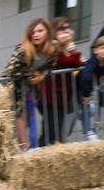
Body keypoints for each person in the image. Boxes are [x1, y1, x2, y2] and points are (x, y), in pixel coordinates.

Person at [2, 18, 57, 147]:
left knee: (27, 115)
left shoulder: (52, 50)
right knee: (18, 114)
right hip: (13, 85)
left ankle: (23, 144)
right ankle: (23, 145)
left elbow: (49, 67)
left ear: (47, 32)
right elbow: (10, 71)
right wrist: (31, 75)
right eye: (33, 32)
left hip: (30, 87)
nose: (36, 35)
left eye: (40, 31)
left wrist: (41, 76)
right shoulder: (22, 49)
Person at [36, 18, 83, 146]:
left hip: (62, 97)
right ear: (54, 31)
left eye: (68, 28)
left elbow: (76, 63)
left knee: (58, 134)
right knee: (49, 133)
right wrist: (67, 49)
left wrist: (69, 49)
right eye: (62, 28)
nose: (66, 31)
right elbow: (63, 61)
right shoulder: (50, 47)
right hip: (49, 98)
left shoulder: (68, 48)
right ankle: (40, 153)